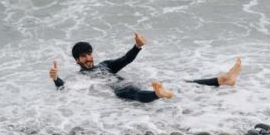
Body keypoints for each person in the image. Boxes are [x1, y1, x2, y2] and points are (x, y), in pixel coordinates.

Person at [49, 32, 241, 102]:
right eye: (83, 56)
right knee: (136, 94)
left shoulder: (105, 65)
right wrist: (56, 78)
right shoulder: (81, 78)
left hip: (128, 82)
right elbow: (65, 88)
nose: (88, 58)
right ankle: (158, 95)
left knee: (181, 83)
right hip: (115, 91)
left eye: (89, 53)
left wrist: (138, 46)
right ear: (77, 60)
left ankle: (223, 80)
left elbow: (126, 59)